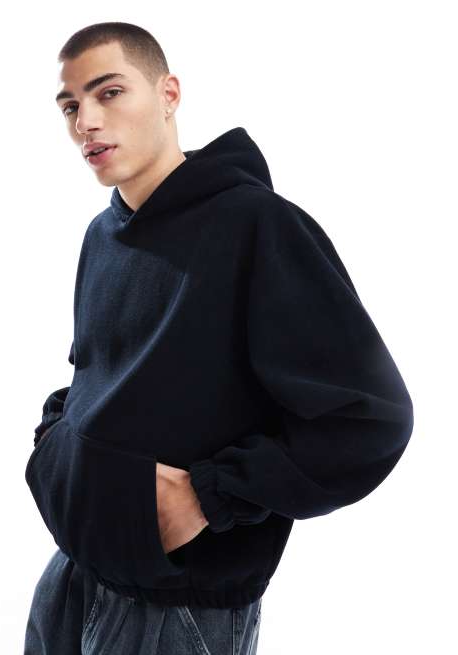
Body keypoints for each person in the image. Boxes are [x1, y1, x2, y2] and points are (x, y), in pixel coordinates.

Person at [23, 21, 414, 655]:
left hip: (178, 610)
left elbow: (369, 418)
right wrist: (56, 448)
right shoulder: (102, 234)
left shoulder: (258, 225)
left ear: (169, 94)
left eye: (109, 92)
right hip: (71, 577)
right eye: (70, 106)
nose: (86, 122)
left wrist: (211, 495)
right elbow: (98, 375)